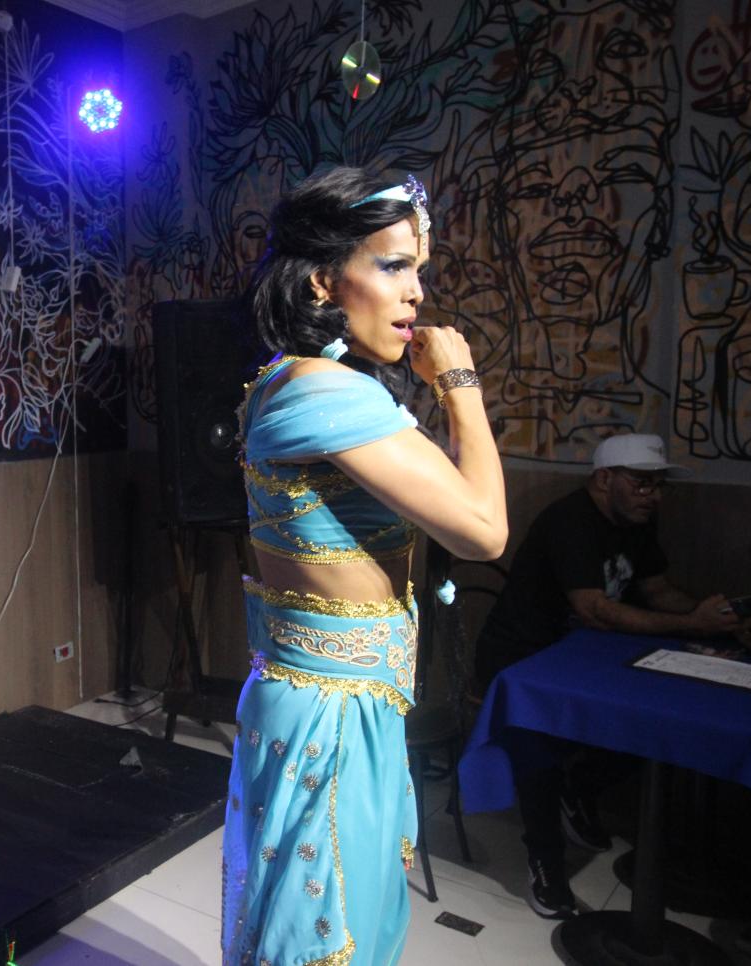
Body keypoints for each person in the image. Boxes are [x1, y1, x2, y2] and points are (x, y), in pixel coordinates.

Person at [224, 167, 508, 966]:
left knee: (341, 921)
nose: (416, 291)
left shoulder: (301, 379)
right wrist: (460, 385)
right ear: (323, 280)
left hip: (342, 698)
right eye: (393, 266)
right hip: (330, 712)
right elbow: (485, 531)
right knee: (325, 940)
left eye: (419, 268)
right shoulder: (323, 393)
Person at [475, 432, 751, 920]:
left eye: (658, 485)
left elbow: (657, 591)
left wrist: (719, 618)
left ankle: (580, 787)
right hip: (524, 657)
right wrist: (693, 624)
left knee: (658, 721)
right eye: (642, 483)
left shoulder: (635, 521)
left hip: (585, 652)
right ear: (604, 479)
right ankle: (545, 860)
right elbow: (595, 609)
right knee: (537, 748)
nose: (653, 495)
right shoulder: (570, 521)